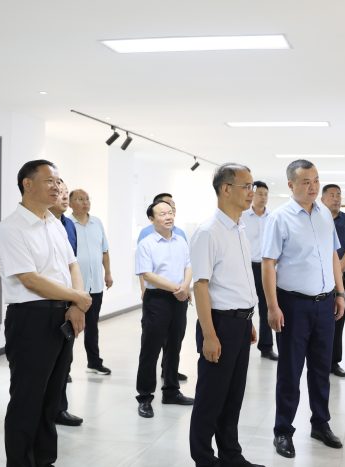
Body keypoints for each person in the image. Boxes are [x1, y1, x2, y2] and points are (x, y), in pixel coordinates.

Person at [0, 160, 92, 467]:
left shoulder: (54, 223)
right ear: (27, 184)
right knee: (27, 399)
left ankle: (45, 459)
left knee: (51, 398)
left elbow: (72, 265)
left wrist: (76, 305)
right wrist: (78, 297)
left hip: (63, 315)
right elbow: (30, 280)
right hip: (31, 318)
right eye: (50, 181)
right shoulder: (11, 228)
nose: (57, 187)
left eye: (59, 181)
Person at [262, 159, 345, 459]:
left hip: (325, 304)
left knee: (321, 369)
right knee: (290, 370)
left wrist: (340, 292)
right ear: (291, 185)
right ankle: (283, 430)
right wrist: (272, 306)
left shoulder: (323, 213)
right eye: (306, 182)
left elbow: (333, 254)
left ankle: (320, 424)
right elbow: (268, 264)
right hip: (293, 305)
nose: (313, 187)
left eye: (316, 180)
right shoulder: (279, 218)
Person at [189, 163, 264, 467]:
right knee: (211, 398)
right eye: (246, 186)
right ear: (225, 189)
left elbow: (240, 279)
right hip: (219, 324)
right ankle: (204, 458)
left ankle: (231, 455)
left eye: (252, 186)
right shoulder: (208, 232)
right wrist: (209, 334)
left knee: (233, 397)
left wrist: (249, 319)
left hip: (240, 323)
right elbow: (200, 286)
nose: (252, 192)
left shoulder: (239, 228)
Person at [135, 200, 194, 418]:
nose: (168, 217)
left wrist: (185, 287)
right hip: (157, 300)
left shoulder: (181, 241)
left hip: (179, 299)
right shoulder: (146, 244)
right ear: (152, 219)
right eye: (162, 214)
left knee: (174, 346)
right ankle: (144, 397)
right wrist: (176, 288)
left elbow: (188, 265)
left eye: (170, 212)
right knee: (150, 349)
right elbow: (147, 275)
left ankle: (171, 391)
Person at [48, 180, 83, 427]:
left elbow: (73, 264)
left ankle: (59, 408)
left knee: (64, 361)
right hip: (46, 303)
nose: (63, 196)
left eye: (65, 192)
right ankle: (48, 412)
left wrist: (77, 300)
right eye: (59, 192)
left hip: (69, 299)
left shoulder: (68, 225)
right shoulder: (40, 224)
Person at [69, 189, 113, 375]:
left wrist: (108, 273)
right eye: (80, 199)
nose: (85, 202)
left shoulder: (97, 223)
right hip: (73, 288)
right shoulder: (66, 224)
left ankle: (94, 363)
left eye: (87, 199)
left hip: (95, 285)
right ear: (70, 203)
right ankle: (64, 370)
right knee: (69, 327)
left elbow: (104, 251)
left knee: (92, 326)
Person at [321, 183, 345, 378]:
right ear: (322, 199)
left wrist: (338, 271)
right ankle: (320, 360)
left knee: (338, 319)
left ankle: (334, 361)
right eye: (332, 195)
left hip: (342, 275)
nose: (336, 198)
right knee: (321, 321)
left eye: (339, 195)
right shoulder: (317, 220)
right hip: (319, 277)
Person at [241, 180, 277, 361]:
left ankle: (266, 347)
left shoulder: (273, 217)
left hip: (267, 267)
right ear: (252, 195)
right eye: (259, 194)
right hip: (247, 267)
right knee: (245, 307)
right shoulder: (242, 216)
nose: (263, 197)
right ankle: (242, 343)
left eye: (265, 194)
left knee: (266, 306)